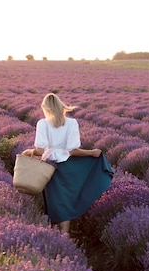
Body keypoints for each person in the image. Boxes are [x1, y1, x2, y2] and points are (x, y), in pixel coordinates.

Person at [22, 93, 113, 234]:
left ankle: (58, 237)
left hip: (50, 167)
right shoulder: (71, 123)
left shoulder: (43, 123)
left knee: (55, 201)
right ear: (60, 105)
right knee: (66, 200)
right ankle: (65, 236)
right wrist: (91, 153)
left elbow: (40, 150)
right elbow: (72, 151)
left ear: (46, 108)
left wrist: (29, 151)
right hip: (68, 166)